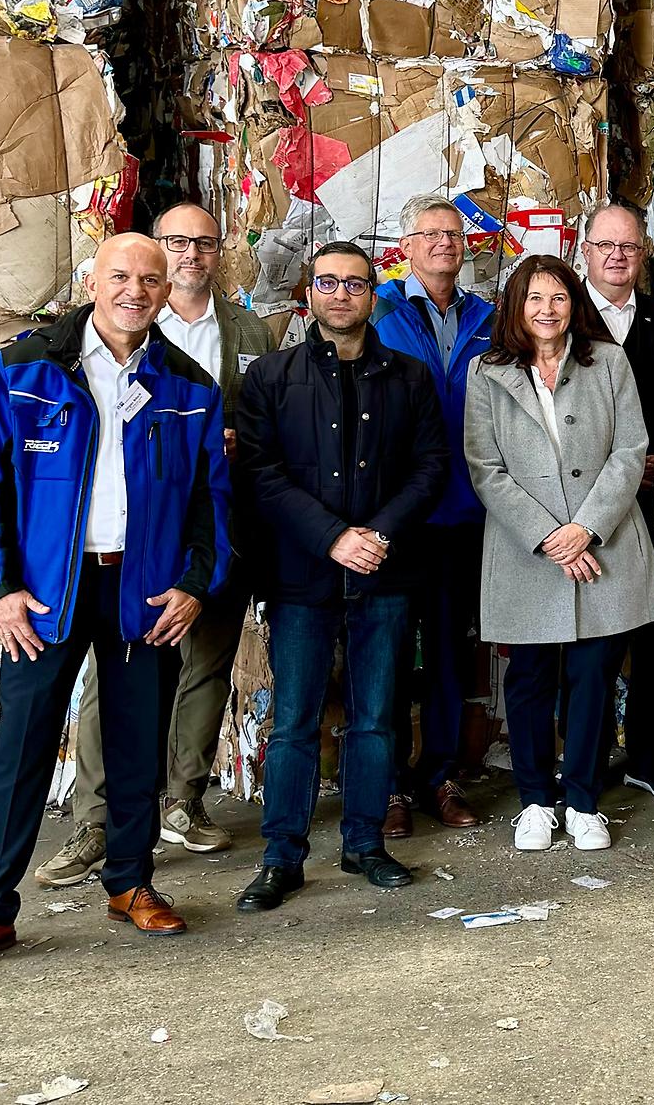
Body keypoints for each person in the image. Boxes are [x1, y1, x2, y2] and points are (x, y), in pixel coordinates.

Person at [0, 236, 228, 979]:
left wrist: (192, 584)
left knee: (134, 749)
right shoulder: (26, 368)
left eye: (149, 280)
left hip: (142, 591)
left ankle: (130, 884)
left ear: (164, 290)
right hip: (46, 595)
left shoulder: (186, 385)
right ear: (93, 280)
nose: (135, 290)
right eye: (120, 275)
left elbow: (210, 500)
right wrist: (0, 591)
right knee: (21, 753)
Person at [37, 202, 276, 889]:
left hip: (214, 522)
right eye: (177, 242)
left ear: (219, 251)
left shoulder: (250, 328)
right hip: (132, 531)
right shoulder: (120, 325)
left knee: (207, 665)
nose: (191, 254)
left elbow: (261, 419)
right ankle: (95, 821)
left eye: (204, 242)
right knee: (107, 682)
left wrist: (235, 443)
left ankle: (183, 801)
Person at [234, 242, 450, 911]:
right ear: (311, 293)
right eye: (328, 282)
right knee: (295, 719)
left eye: (355, 284)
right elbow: (260, 475)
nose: (341, 294)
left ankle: (364, 844)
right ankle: (282, 857)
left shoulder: (409, 378)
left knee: (376, 716)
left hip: (385, 571)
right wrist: (332, 538)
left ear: (371, 296)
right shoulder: (271, 376)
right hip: (302, 574)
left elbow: (430, 468)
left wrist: (376, 535)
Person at [464, 256, 654, 855]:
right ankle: (534, 801)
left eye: (558, 297)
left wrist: (586, 528)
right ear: (515, 307)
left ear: (574, 304)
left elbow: (631, 450)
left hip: (604, 547)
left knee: (592, 678)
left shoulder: (608, 363)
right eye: (534, 298)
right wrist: (551, 535)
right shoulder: (487, 372)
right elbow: (485, 467)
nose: (547, 309)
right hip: (527, 551)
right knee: (527, 681)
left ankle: (580, 800)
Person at [373, 194, 494, 837]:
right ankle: (390, 783)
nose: (445, 243)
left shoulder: (488, 318)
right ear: (408, 244)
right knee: (390, 653)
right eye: (431, 234)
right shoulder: (381, 309)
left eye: (454, 234)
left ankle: (440, 774)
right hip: (396, 516)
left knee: (450, 651)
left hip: (464, 514)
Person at [580, 199, 654, 803]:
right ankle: (588, 761)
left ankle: (650, 756)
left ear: (643, 254)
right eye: (606, 246)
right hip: (586, 510)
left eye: (628, 246)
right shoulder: (563, 319)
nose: (617, 256)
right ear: (586, 251)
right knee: (591, 640)